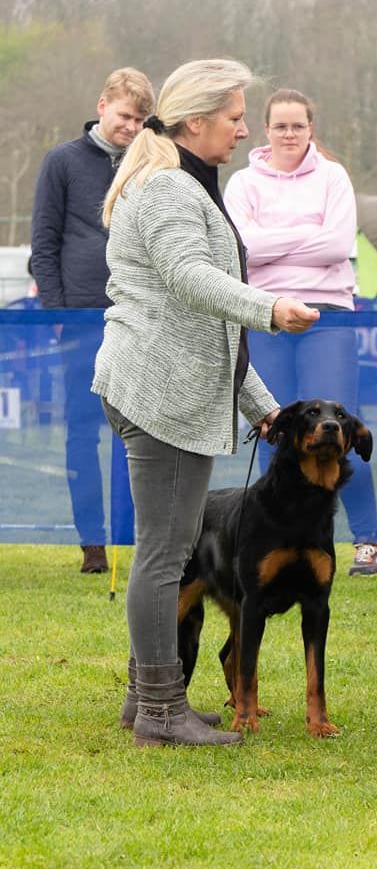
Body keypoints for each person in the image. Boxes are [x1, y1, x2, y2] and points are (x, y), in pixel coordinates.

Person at [91, 58, 319, 748]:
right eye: (233, 117)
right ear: (196, 122)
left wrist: (264, 409)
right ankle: (161, 711)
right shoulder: (165, 191)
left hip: (172, 386)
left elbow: (207, 326)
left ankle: (144, 700)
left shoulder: (185, 187)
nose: (244, 129)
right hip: (156, 395)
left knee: (167, 550)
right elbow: (193, 281)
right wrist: (270, 307)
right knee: (164, 556)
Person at [224, 88, 377, 577]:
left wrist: (274, 243)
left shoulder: (333, 177)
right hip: (265, 315)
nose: (289, 134)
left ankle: (368, 544)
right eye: (280, 126)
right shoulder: (242, 182)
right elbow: (241, 248)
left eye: (298, 126)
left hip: (327, 316)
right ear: (265, 129)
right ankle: (272, 538)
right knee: (274, 430)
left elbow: (339, 243)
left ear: (311, 129)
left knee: (340, 435)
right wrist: (307, 237)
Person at [31, 67, 156, 573]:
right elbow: (45, 244)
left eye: (141, 120)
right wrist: (59, 315)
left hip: (138, 317)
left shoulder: (150, 166)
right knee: (82, 431)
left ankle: (132, 533)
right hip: (81, 319)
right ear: (102, 105)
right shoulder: (61, 161)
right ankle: (92, 543)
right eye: (125, 116)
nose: (131, 127)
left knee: (137, 428)